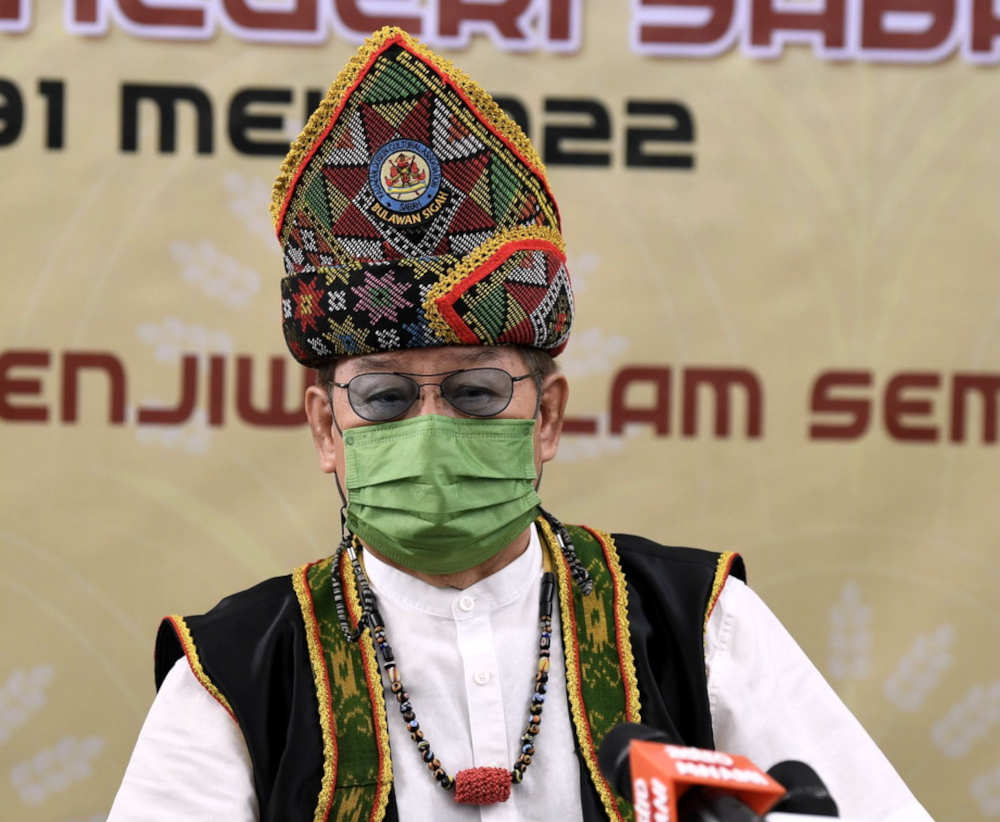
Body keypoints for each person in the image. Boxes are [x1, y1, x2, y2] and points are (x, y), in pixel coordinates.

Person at [108, 26, 933, 822]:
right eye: (387, 400)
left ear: (548, 417)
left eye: (474, 394)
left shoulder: (697, 622)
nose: (431, 430)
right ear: (327, 429)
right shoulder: (237, 671)